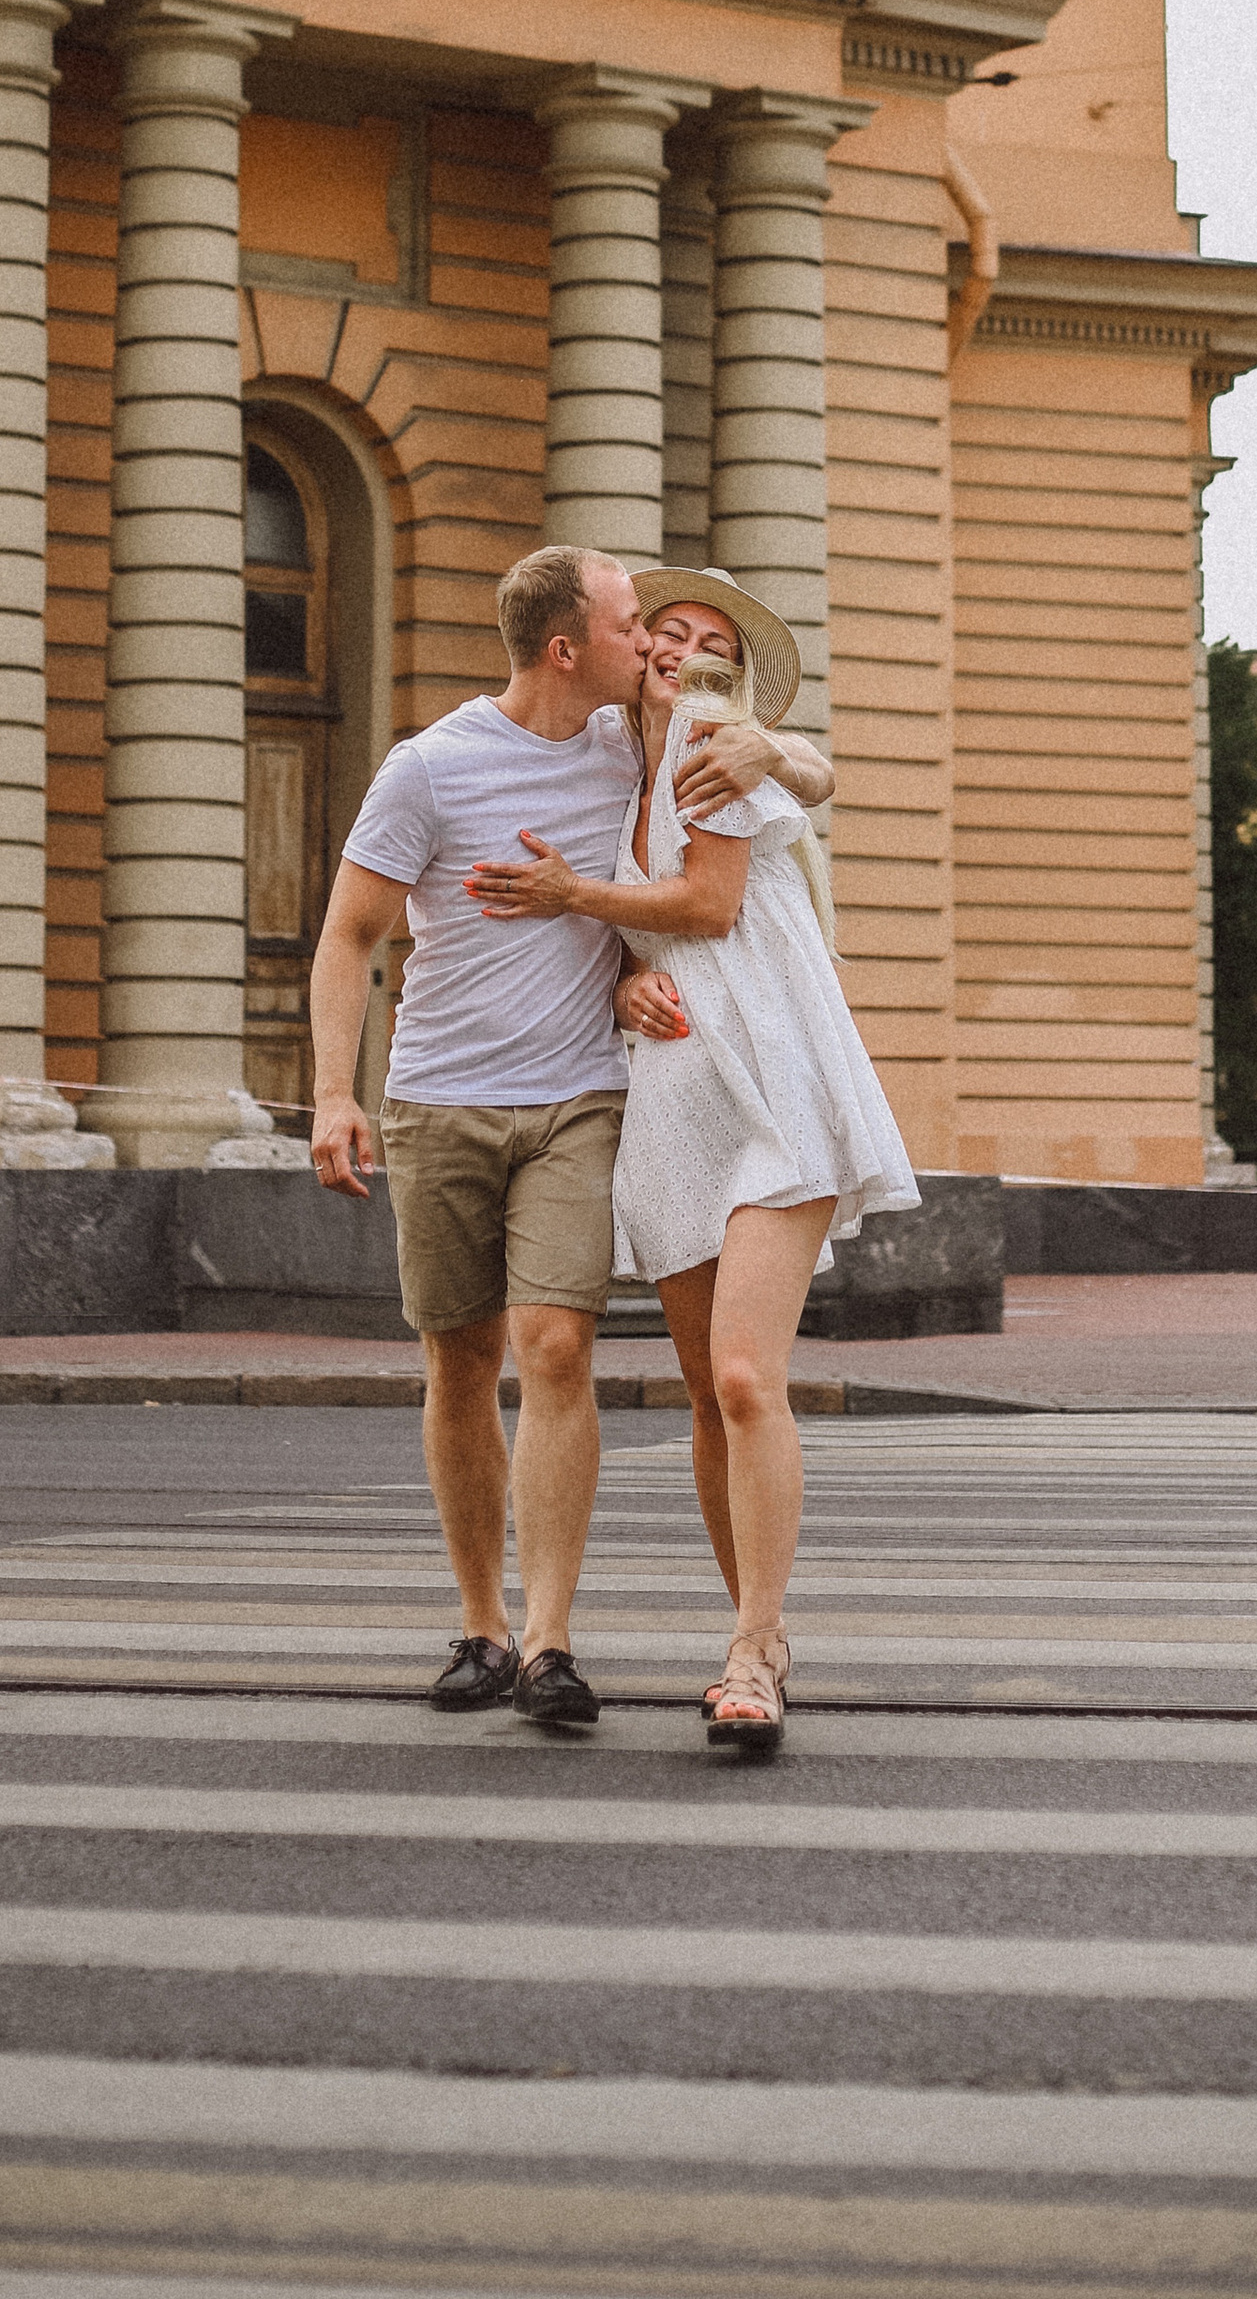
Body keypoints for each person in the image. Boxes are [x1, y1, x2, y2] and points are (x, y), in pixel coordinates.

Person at [306, 544, 831, 1731]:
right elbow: (350, 937)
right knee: (458, 1359)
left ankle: (549, 1642)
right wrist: (335, 1093)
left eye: (674, 630)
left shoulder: (648, 746)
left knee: (553, 1347)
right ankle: (483, 1624)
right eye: (636, 621)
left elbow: (767, 789)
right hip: (438, 1096)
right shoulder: (429, 767)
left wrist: (774, 747)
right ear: (569, 647)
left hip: (583, 1100)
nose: (654, 641)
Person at [464, 566, 919, 1757]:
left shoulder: (725, 748)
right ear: (628, 652)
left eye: (713, 642)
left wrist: (575, 892)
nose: (684, 649)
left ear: (734, 676)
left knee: (741, 1379)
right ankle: (746, 1630)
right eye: (666, 631)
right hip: (675, 1101)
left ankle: (755, 1650)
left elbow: (716, 900)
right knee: (709, 1404)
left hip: (775, 1085)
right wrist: (618, 972)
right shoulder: (612, 777)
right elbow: (641, 927)